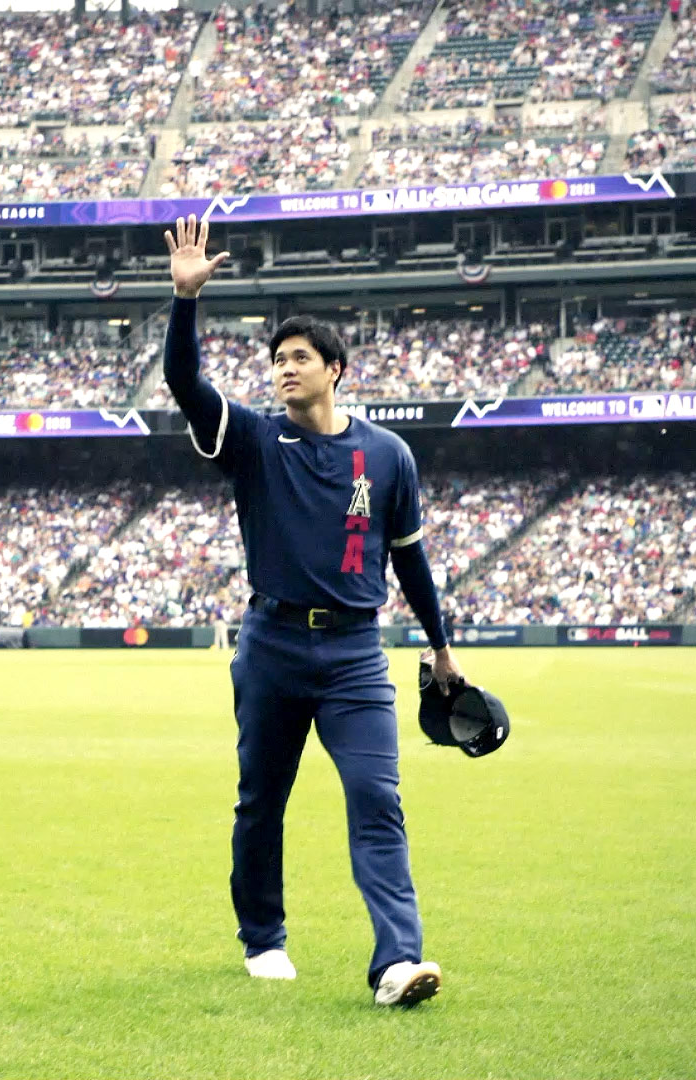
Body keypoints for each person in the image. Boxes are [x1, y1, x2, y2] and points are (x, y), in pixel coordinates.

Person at [158, 215, 462, 1008]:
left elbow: (410, 559)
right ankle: (263, 937)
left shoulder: (389, 455)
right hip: (273, 646)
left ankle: (398, 962)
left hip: (357, 655)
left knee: (377, 799)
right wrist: (185, 301)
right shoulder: (253, 440)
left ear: (336, 370)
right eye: (277, 360)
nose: (284, 369)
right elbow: (185, 383)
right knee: (262, 800)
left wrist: (441, 645)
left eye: (298, 358)